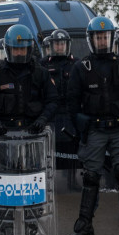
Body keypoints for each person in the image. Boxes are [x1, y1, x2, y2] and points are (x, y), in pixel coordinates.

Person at [65, 16, 119, 235]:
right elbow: (72, 102)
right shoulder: (81, 67)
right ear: (91, 40)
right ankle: (84, 227)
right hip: (95, 129)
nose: (102, 40)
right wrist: (81, 126)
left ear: (111, 38)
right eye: (98, 37)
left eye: (105, 37)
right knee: (91, 177)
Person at [0, 25, 58, 235]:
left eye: (23, 49)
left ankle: (33, 227)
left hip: (33, 137)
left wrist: (42, 120)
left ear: (30, 49)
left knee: (33, 183)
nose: (19, 54)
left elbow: (52, 100)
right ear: (8, 49)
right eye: (15, 50)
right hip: (3, 137)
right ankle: (5, 229)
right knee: (3, 184)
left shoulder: (41, 73)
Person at [40, 28, 80, 189]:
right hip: (51, 114)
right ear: (51, 45)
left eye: (62, 44)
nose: (60, 47)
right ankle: (50, 181)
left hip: (70, 113)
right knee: (51, 148)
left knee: (72, 148)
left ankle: (72, 180)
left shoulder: (76, 64)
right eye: (57, 44)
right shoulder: (43, 65)